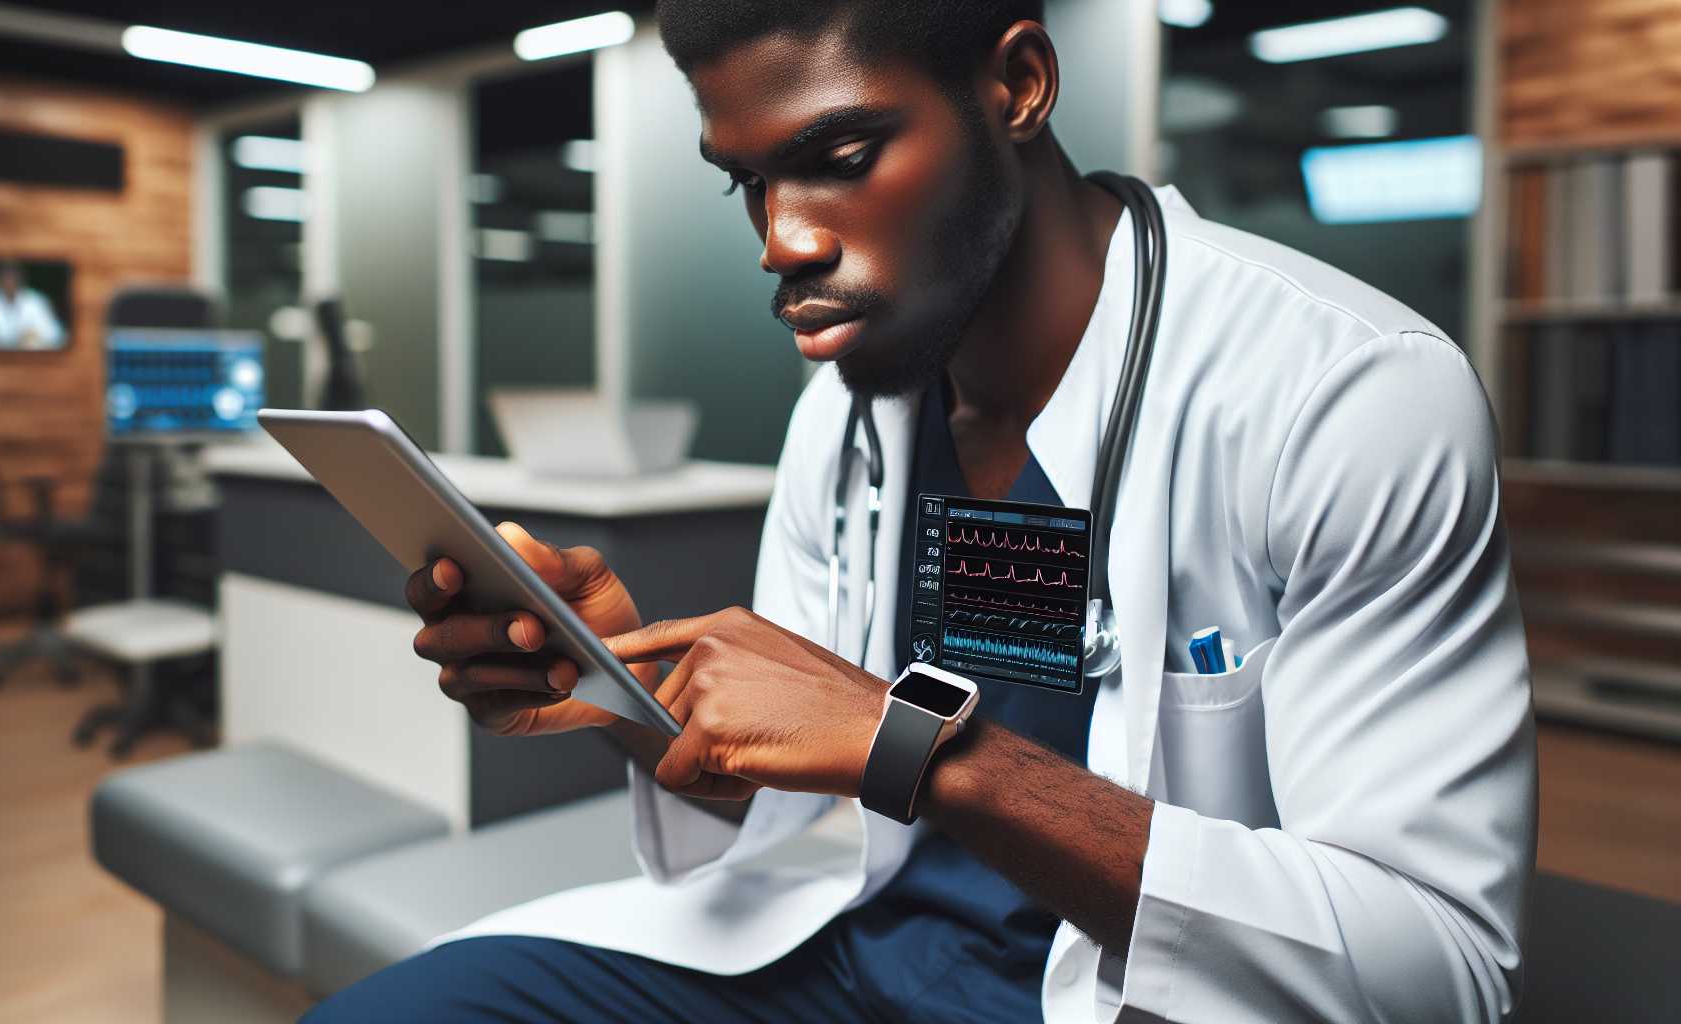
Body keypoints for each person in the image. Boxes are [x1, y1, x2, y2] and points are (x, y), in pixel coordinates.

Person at [306, 2, 1535, 1020]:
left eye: (840, 158)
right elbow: (800, 795)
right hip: (847, 951)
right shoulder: (848, 406)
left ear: (1016, 85)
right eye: (748, 180)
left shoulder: (1343, 395)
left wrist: (925, 753)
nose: (779, 241)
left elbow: (1437, 970)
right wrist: (625, 693)